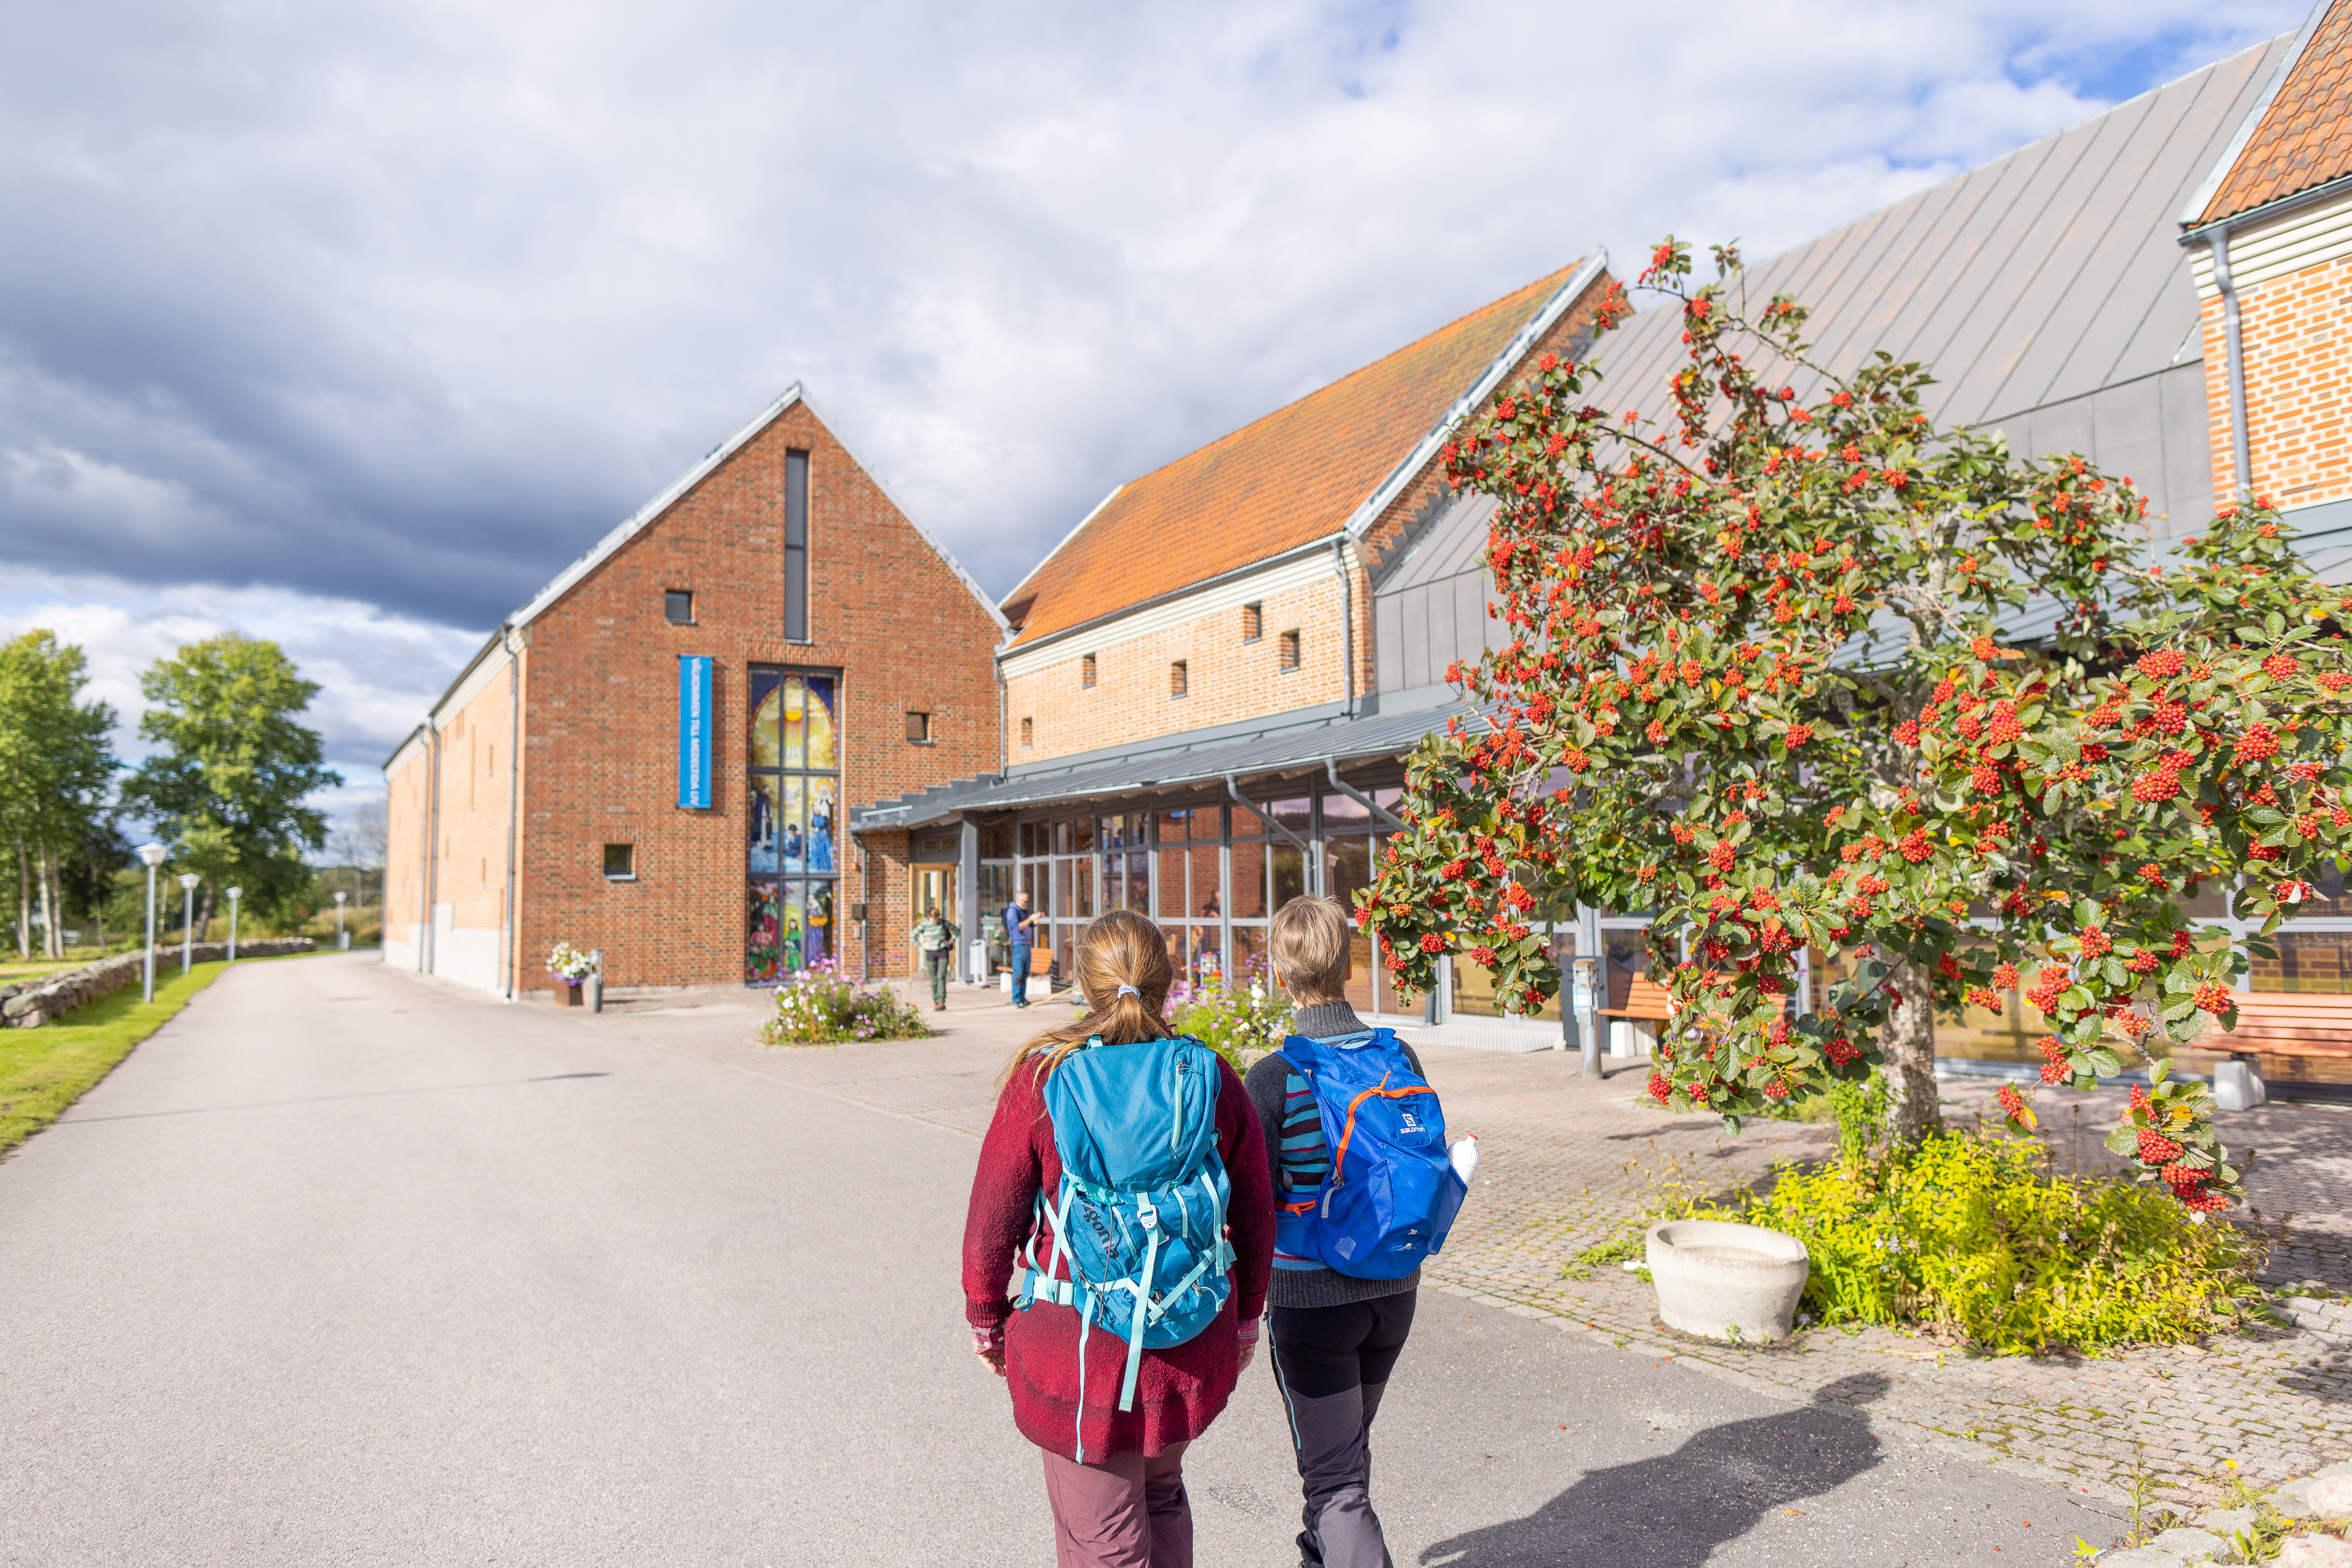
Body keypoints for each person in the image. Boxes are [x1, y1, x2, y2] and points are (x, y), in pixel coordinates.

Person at [963, 910, 1274, 1568]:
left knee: (1103, 1544)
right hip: (1186, 1336)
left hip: (1079, 1354)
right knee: (1161, 1496)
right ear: (1168, 980)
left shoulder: (1044, 1078)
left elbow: (992, 1222)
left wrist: (987, 1321)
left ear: (1084, 982)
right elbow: (1253, 1214)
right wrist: (1245, 1320)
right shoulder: (1208, 1076)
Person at [1243, 896, 1430, 1568]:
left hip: (1311, 1304)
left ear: (1278, 974)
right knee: (1345, 1454)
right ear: (1349, 964)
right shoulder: (1398, 1055)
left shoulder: (1272, 1079)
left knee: (1335, 1480)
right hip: (1393, 1291)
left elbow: (1252, 1209)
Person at [911, 903, 958, 1011]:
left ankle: (942, 1001)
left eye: (937, 919)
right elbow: (912, 936)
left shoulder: (943, 923)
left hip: (942, 951)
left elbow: (957, 931)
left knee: (941, 977)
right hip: (930, 953)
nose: (936, 921)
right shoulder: (925, 925)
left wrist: (949, 942)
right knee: (934, 978)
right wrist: (921, 945)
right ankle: (936, 1001)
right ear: (929, 917)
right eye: (934, 919)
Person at [1005, 888, 1042, 1008]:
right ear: (1018, 900)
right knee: (1019, 973)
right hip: (1018, 945)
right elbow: (1017, 928)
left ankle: (1023, 997)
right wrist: (1030, 919)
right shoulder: (1012, 912)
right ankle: (1016, 999)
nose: (1027, 904)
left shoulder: (1024, 911)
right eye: (1025, 902)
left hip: (1027, 944)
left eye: (1028, 902)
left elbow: (1030, 925)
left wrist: (1036, 919)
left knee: (1025, 973)